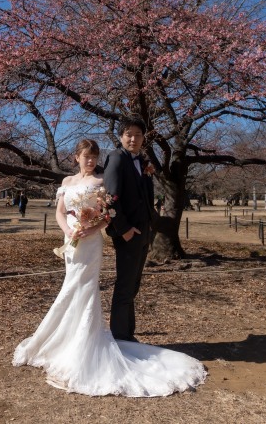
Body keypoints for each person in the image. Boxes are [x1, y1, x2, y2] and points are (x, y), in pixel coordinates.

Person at [13, 139, 206, 397]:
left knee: (83, 288)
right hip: (71, 241)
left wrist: (90, 229)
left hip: (91, 243)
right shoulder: (67, 183)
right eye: (86, 156)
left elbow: (108, 215)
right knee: (70, 286)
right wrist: (69, 230)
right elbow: (60, 212)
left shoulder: (102, 182)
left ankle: (84, 344)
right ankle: (63, 340)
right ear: (76, 157)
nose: (90, 161)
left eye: (94, 156)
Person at [103, 117, 157, 342]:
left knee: (133, 285)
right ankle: (120, 338)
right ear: (121, 136)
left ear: (143, 138)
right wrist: (123, 229)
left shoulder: (142, 161)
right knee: (125, 285)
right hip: (128, 234)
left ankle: (128, 335)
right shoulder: (116, 158)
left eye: (138, 135)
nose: (133, 139)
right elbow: (111, 198)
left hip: (144, 233)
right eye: (128, 134)